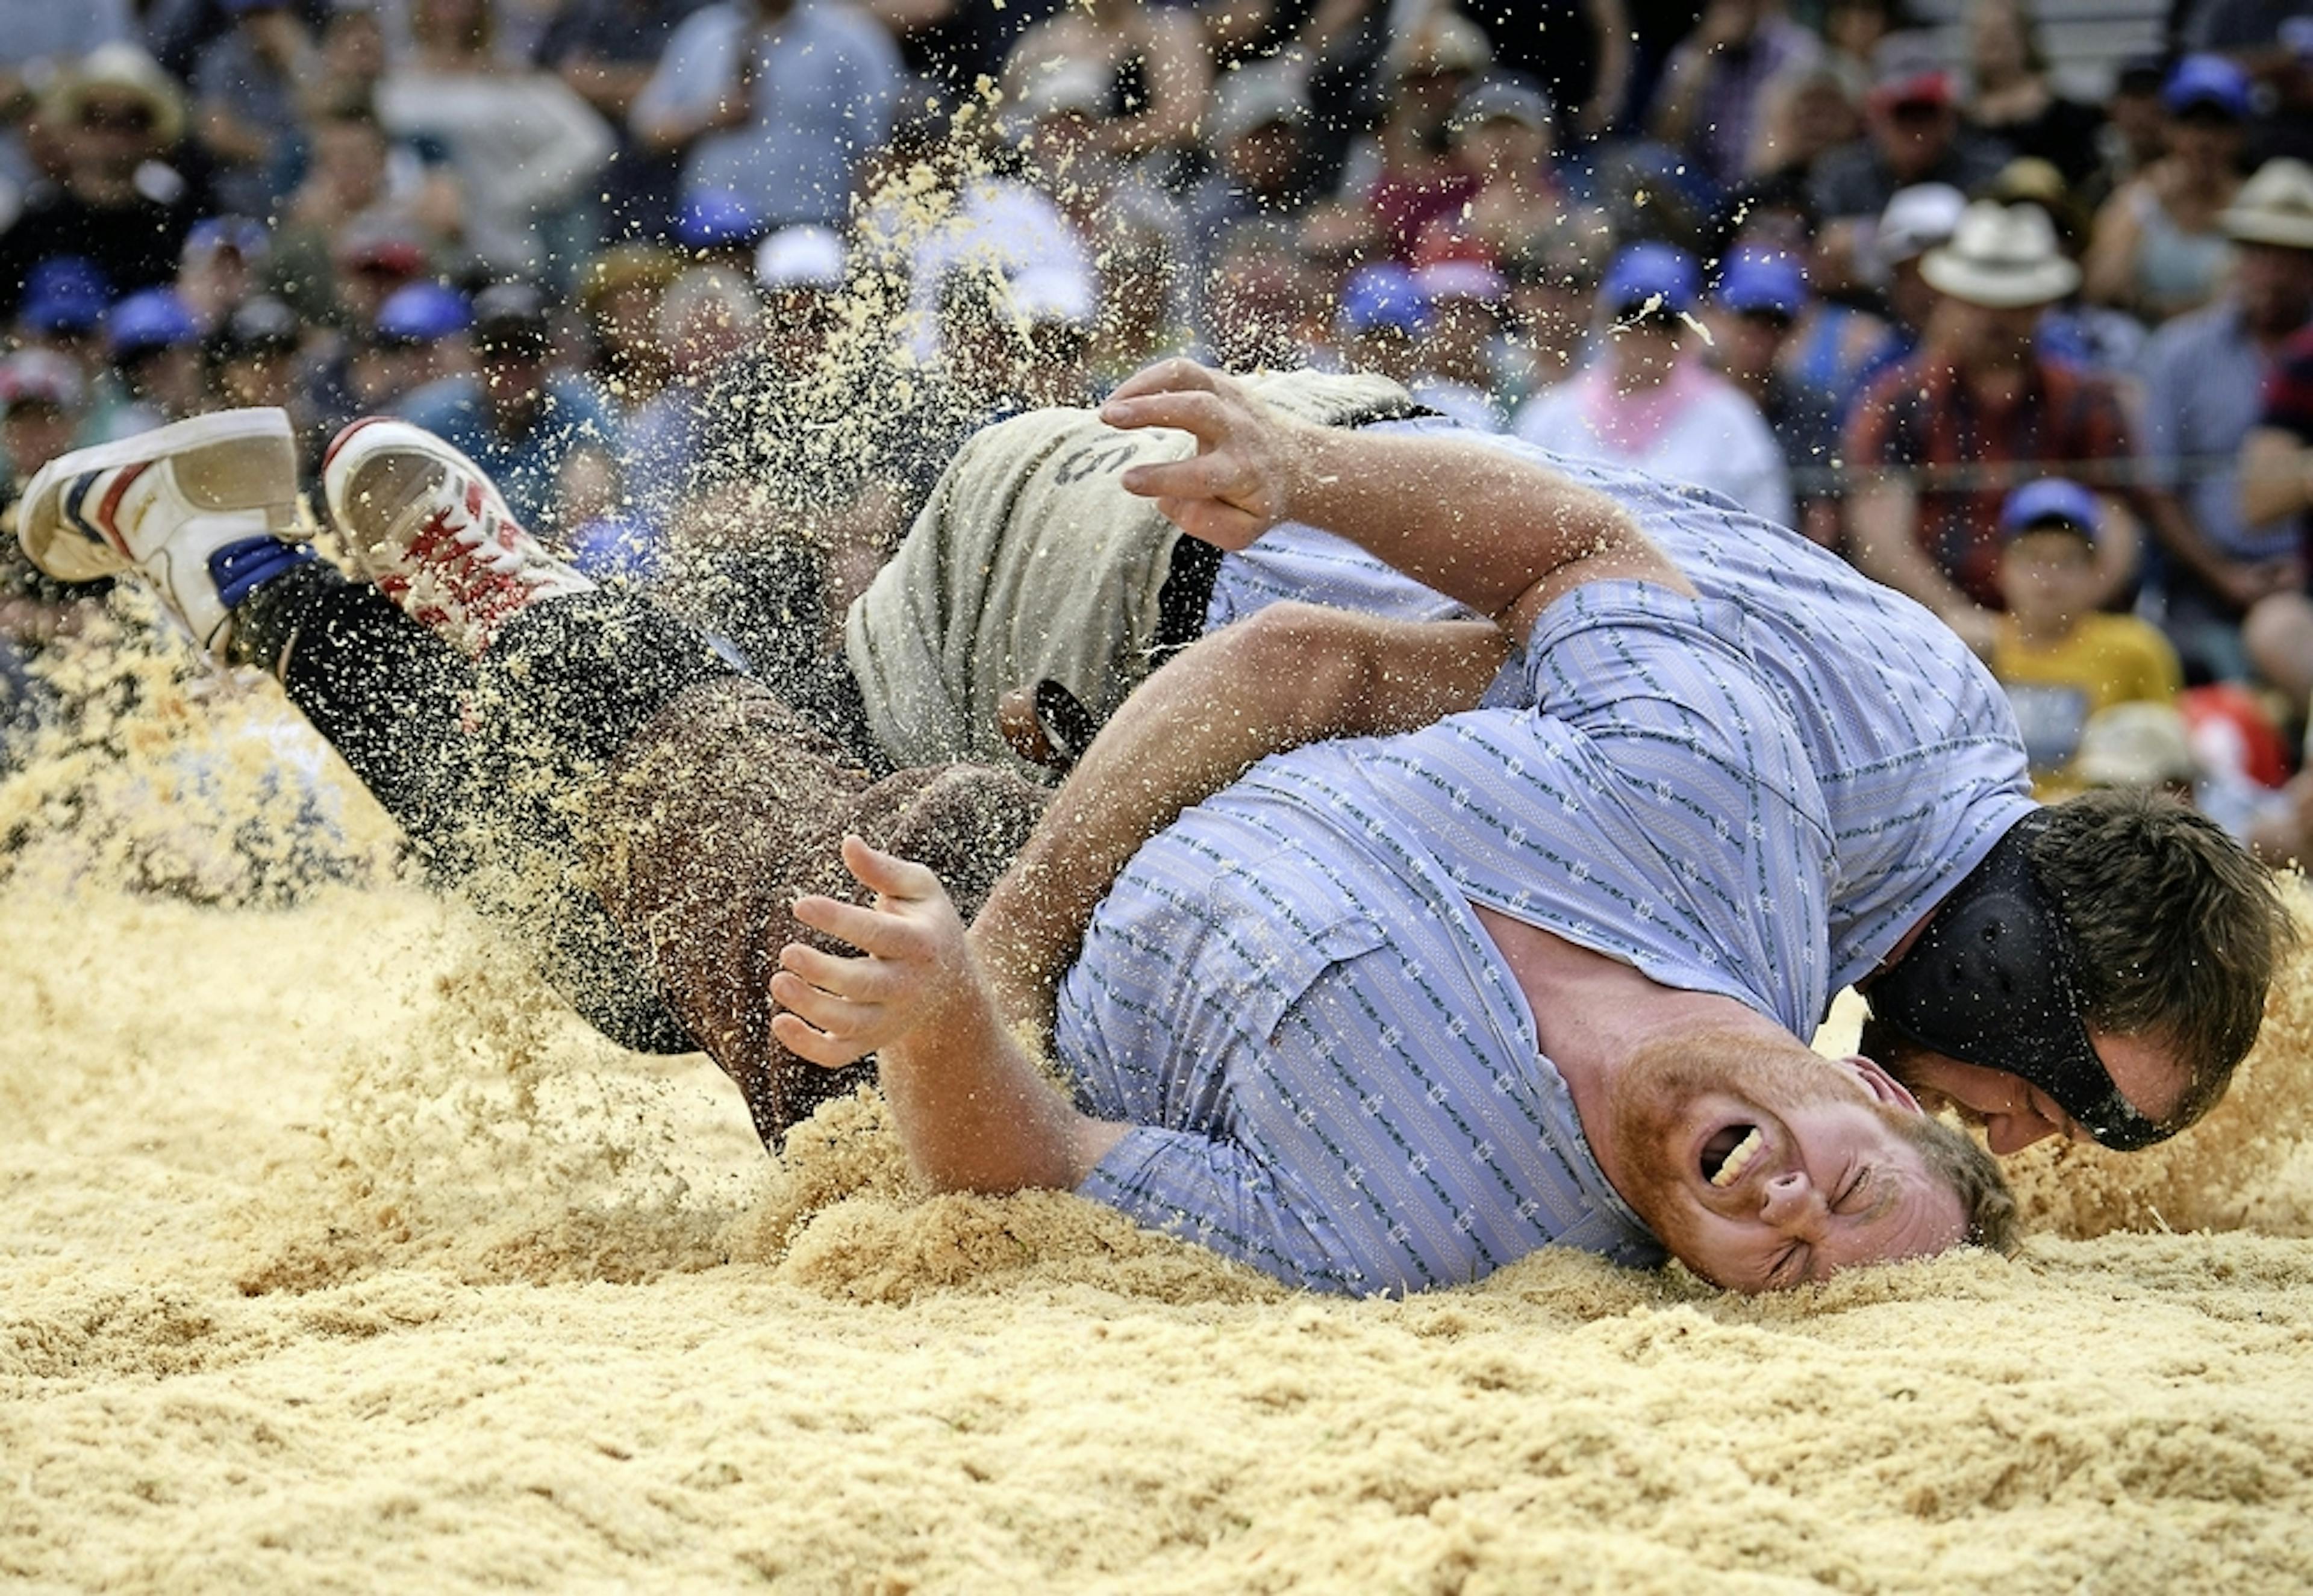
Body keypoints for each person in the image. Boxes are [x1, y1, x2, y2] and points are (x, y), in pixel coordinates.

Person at [27, 365, 2296, 1165]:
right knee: (740, 979)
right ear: (2001, 985)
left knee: (759, 870)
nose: (2029, 1145)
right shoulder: (1754, 823)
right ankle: (255, 553)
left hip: (1182, 534)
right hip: (1125, 599)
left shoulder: (1937, 719)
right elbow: (1317, 657)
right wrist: (1001, 959)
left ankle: (479, 577)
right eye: (2049, 1101)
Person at [1844, 201, 2171, 649]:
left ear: (2040, 307)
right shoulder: (1901, 399)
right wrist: (1952, 614)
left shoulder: (2085, 401)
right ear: (1953, 302)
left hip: (2066, 631)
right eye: (1980, 302)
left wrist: (2048, 624)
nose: (1995, 318)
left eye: (2012, 304)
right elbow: (1879, 538)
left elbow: (2118, 529)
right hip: (1930, 631)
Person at [2139, 158, 2313, 684]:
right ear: (2238, 255)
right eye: (2259, 251)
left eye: (2291, 256)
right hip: (2204, 578)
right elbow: (2156, 487)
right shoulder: (2179, 352)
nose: (2272, 270)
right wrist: (2222, 574)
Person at [1513, 243, 1792, 526]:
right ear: (1605, 319)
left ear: (1687, 329)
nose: (1645, 333)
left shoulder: (1730, 419)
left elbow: (1767, 525)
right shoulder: (1552, 413)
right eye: (1631, 317)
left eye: (1663, 321)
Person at [1987, 479, 2183, 796]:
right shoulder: (1976, 651)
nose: (2048, 576)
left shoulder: (2135, 648)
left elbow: (2171, 762)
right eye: (2033, 559)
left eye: (2067, 561)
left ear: (2095, 571)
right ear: (2003, 569)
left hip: (2101, 826)